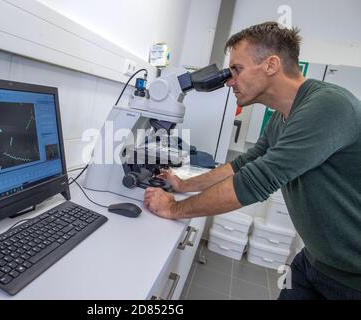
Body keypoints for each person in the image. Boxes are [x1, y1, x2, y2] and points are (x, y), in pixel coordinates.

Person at [143, 21, 361, 300]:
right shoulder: (282, 117)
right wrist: (183, 184)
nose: (230, 81)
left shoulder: (328, 106)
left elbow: (254, 181)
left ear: (271, 64)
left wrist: (174, 209)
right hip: (314, 261)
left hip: (353, 279)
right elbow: (243, 164)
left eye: (237, 69)